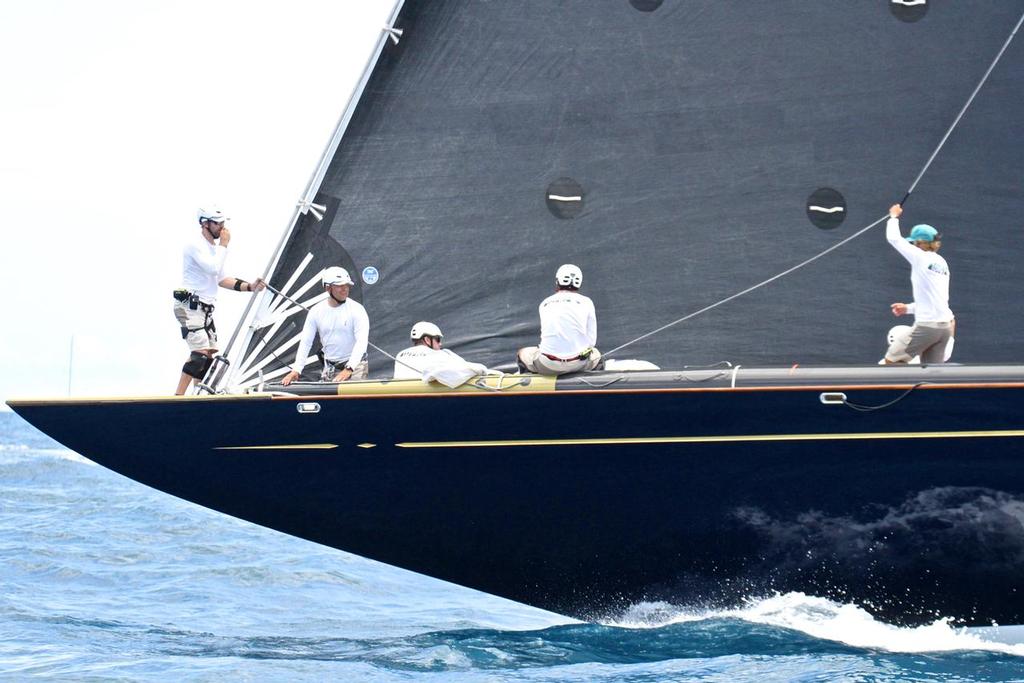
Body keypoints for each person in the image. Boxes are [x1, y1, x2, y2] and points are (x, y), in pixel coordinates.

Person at [174, 206, 265, 395]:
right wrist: (224, 245)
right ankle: (178, 397)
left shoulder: (214, 250)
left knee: (207, 357)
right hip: (189, 306)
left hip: (205, 309)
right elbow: (213, 269)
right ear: (205, 223)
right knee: (200, 354)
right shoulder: (195, 245)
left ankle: (198, 395)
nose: (222, 228)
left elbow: (222, 279)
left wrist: (250, 286)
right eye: (218, 223)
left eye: (223, 223)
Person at [883, 204, 954, 365]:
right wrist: (907, 308)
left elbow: (894, 239)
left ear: (920, 243)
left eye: (913, 243)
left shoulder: (920, 257)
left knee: (891, 361)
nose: (912, 246)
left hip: (927, 328)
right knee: (931, 375)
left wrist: (893, 217)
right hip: (944, 329)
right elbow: (934, 299)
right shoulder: (942, 263)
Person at [281, 266, 369, 385]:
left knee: (353, 399)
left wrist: (349, 368)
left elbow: (362, 342)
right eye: (339, 286)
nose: (345, 289)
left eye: (347, 285)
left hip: (355, 366)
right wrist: (296, 369)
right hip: (330, 367)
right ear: (328, 288)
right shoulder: (316, 311)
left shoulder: (357, 309)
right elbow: (306, 342)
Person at [517, 264, 601, 375]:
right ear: (579, 283)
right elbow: (591, 342)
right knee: (597, 355)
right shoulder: (587, 302)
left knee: (522, 353)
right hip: (579, 364)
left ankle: (528, 387)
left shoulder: (545, 303)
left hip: (548, 365)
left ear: (558, 281)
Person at [393, 321, 487, 382]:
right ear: (427, 340)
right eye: (437, 339)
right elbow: (465, 369)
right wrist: (482, 369)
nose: (440, 344)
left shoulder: (400, 355)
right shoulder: (439, 355)